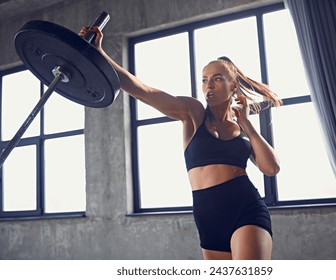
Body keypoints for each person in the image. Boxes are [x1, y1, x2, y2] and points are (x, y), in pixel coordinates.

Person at [80, 26, 282, 260]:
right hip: (208, 219)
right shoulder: (192, 112)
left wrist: (246, 122)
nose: (209, 85)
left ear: (233, 85)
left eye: (217, 79)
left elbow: (271, 168)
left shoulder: (243, 130)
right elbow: (143, 91)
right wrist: (100, 54)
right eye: (205, 80)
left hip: (246, 210)